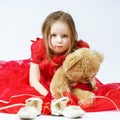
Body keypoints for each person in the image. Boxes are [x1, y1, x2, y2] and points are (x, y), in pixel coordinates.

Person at [0, 10, 120, 115]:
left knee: (85, 98)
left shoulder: (77, 49)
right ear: (46, 36)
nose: (59, 41)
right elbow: (34, 81)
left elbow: (87, 74)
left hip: (69, 84)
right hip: (43, 85)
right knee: (30, 99)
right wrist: (50, 96)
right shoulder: (39, 49)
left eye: (64, 36)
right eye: (53, 35)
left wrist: (90, 82)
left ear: (72, 36)